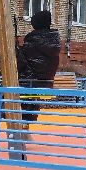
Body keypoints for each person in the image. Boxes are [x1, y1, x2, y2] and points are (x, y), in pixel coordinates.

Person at [8, 10, 60, 159]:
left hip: (29, 82)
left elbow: (20, 63)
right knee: (28, 99)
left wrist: (16, 49)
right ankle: (24, 130)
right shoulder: (53, 42)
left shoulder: (33, 43)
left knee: (3, 96)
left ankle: (18, 133)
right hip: (42, 83)